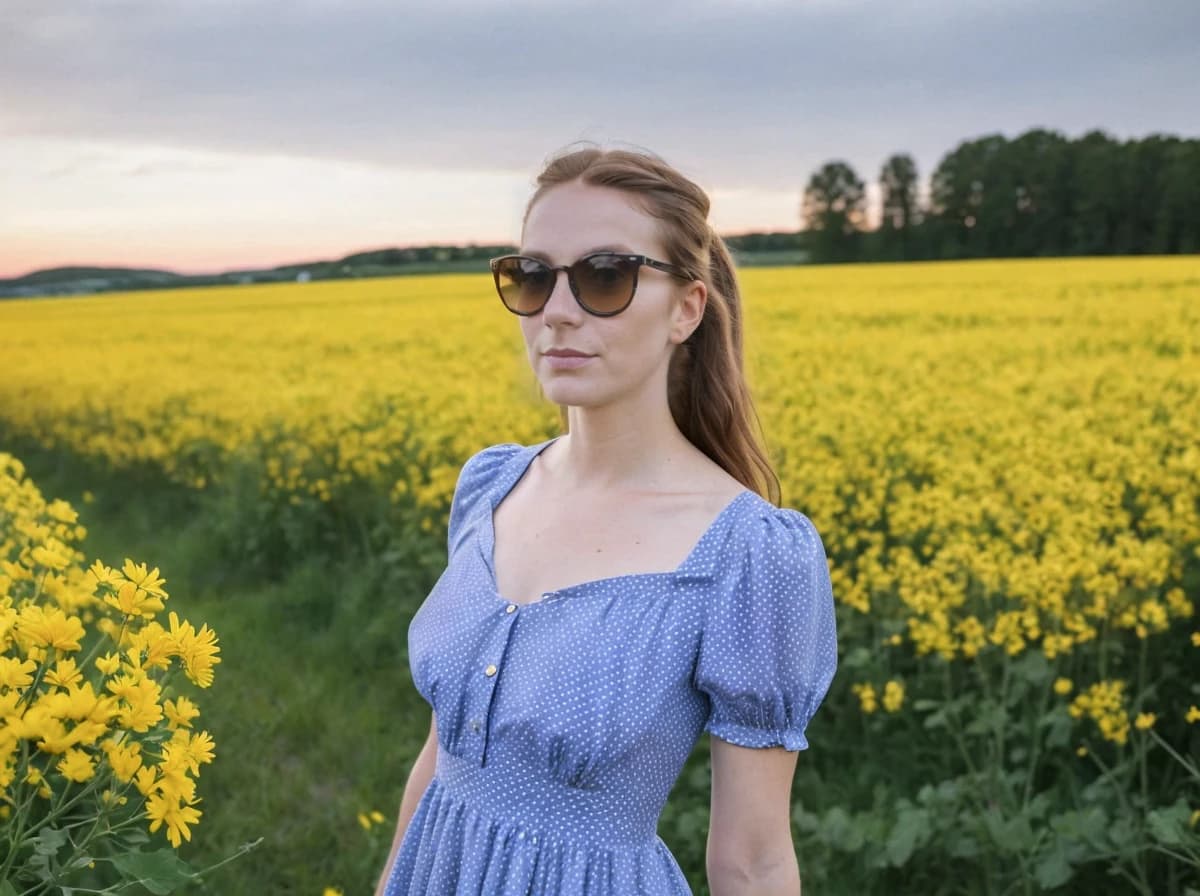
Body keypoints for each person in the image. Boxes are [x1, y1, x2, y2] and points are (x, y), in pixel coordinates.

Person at [375, 143, 838, 896]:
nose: (556, 311)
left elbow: (751, 862)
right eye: (530, 276)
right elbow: (443, 751)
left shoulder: (748, 554)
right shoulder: (490, 487)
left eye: (605, 276)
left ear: (686, 309)